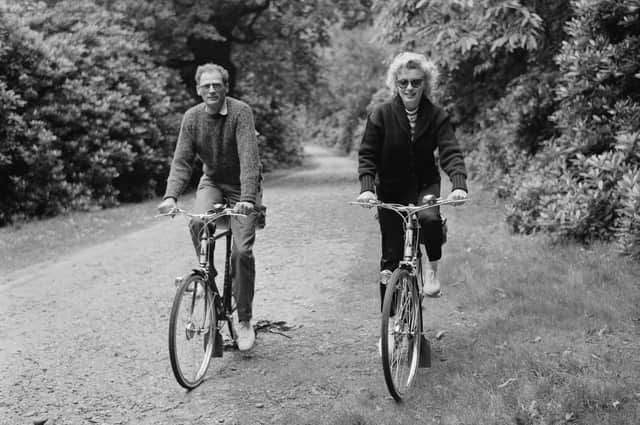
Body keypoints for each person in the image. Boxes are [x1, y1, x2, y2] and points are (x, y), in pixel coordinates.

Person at [158, 63, 262, 351]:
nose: (212, 89)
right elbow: (181, 162)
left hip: (242, 186)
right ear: (198, 89)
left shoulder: (241, 112)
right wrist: (171, 197)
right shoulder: (191, 118)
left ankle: (244, 320)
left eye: (217, 84)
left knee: (241, 251)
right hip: (213, 181)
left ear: (225, 87)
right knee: (196, 222)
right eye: (206, 86)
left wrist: (248, 200)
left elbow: (249, 160)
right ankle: (208, 282)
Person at [357, 51, 468, 306]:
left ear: (425, 84)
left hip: (425, 184)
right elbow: (367, 155)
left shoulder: (437, 115)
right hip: (391, 189)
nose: (409, 87)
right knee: (390, 258)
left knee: (429, 218)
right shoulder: (381, 115)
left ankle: (431, 271)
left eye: (416, 82)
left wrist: (458, 185)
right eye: (403, 82)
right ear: (395, 83)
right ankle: (391, 322)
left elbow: (450, 151)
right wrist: (367, 189)